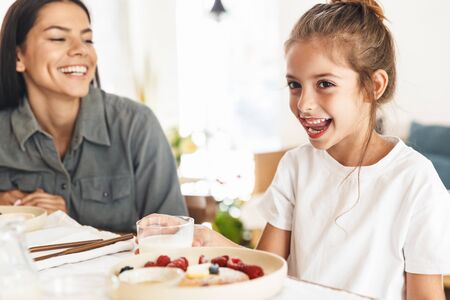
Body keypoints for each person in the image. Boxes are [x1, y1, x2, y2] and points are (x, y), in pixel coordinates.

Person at [145, 0, 450, 299]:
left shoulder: (415, 180)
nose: (303, 104)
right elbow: (266, 270)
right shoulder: (296, 166)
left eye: (325, 84)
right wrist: (205, 238)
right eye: (294, 85)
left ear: (374, 86)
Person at [0, 0, 187, 233]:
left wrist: (66, 224)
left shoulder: (135, 124)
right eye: (59, 38)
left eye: (87, 39)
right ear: (19, 57)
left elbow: (174, 238)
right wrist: (7, 214)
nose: (81, 49)